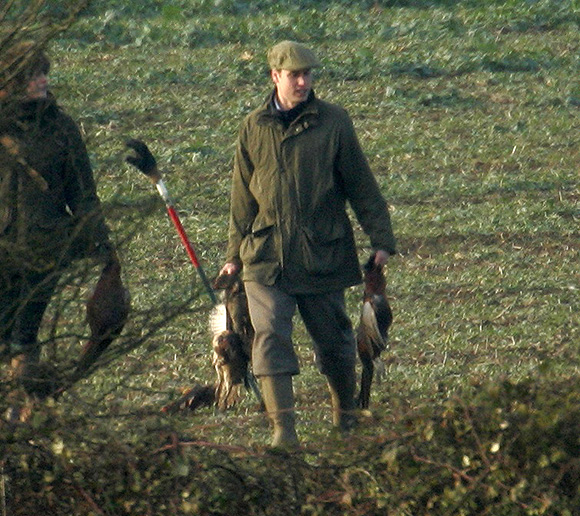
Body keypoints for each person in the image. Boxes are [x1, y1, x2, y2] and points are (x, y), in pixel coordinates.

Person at [219, 40, 396, 448]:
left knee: (335, 342)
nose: (303, 81)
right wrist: (232, 257)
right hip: (264, 258)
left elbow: (362, 186)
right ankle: (284, 433)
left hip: (322, 253)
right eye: (294, 74)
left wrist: (382, 240)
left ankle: (345, 419)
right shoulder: (252, 127)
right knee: (269, 338)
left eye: (308, 74)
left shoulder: (334, 122)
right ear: (274, 77)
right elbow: (241, 201)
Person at [0, 42, 118, 419]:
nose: (42, 80)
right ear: (14, 80)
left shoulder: (61, 127)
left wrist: (99, 241)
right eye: (34, 74)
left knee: (24, 334)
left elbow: (82, 191)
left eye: (43, 72)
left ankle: (21, 415)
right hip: (2, 250)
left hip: (46, 248)